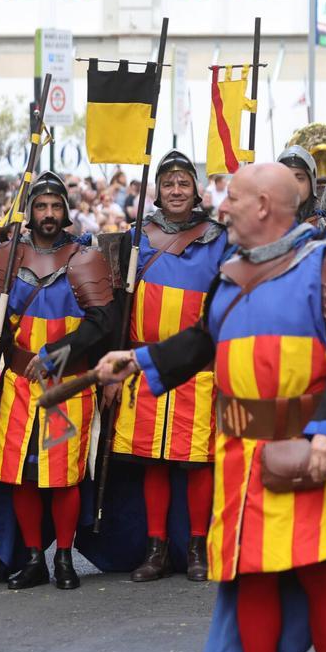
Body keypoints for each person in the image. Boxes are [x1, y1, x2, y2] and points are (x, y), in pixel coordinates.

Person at [93, 162, 326, 652]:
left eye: (235, 199)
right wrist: (140, 360)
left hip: (303, 445)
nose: (222, 208)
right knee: (249, 572)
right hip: (240, 451)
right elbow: (203, 341)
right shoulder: (230, 272)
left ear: (266, 207)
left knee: (316, 570)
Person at [0, 172, 117, 591]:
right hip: (17, 385)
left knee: (64, 475)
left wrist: (58, 352)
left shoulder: (84, 257)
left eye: (55, 207)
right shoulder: (8, 256)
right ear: (30, 212)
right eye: (41, 207)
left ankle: (65, 557)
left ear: (65, 212)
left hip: (65, 385)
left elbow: (104, 323)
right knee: (20, 472)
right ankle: (35, 557)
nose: (48, 214)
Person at [105, 150, 231, 583]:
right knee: (152, 460)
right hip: (145, 363)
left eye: (183, 182)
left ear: (197, 189)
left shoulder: (220, 238)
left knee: (197, 460)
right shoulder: (135, 237)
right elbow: (119, 307)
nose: (176, 190)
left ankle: (198, 547)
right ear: (157, 190)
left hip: (198, 366)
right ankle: (156, 549)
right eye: (168, 183)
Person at [278, 146, 326, 239]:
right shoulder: (263, 231)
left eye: (299, 178)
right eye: (286, 177)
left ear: (311, 183)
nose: (292, 184)